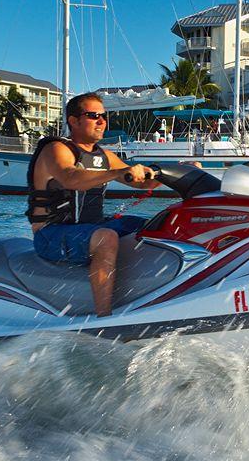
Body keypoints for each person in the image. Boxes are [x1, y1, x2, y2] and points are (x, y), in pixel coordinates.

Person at [27, 92, 161, 317]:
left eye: (103, 116)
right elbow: (71, 177)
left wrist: (178, 172)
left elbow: (139, 183)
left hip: (91, 227)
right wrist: (118, 171)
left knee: (157, 225)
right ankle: (103, 317)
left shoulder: (104, 156)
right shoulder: (56, 150)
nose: (102, 121)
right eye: (93, 116)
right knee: (106, 237)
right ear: (73, 121)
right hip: (50, 234)